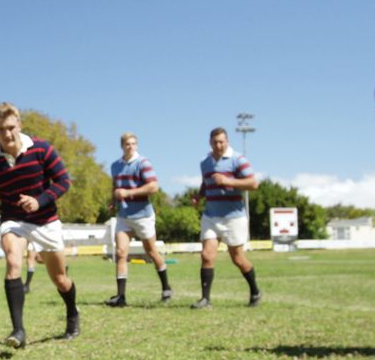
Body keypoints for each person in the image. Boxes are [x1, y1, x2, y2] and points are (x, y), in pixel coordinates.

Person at [0, 102, 79, 348]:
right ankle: (18, 331)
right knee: (13, 262)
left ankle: (72, 312)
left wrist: (40, 200)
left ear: (19, 125)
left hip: (46, 221)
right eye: (1, 129)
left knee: (60, 279)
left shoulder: (42, 149)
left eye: (11, 127)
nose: (7, 134)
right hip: (14, 220)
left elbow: (64, 181)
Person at [190, 127, 262, 309]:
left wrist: (228, 181)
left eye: (222, 141)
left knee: (238, 259)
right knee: (206, 255)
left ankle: (255, 291)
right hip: (211, 215)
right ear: (210, 143)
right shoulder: (205, 162)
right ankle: (205, 300)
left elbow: (253, 183)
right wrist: (199, 196)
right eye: (215, 142)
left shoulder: (238, 160)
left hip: (233, 217)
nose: (219, 145)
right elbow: (206, 182)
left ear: (227, 141)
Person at [104, 132, 173, 307]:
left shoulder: (143, 163)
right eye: (127, 144)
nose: (131, 146)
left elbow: (153, 186)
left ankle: (166, 287)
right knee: (120, 253)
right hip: (124, 216)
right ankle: (121, 297)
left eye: (134, 144)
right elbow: (115, 187)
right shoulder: (115, 166)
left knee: (151, 252)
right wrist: (113, 202)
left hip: (143, 215)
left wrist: (128, 193)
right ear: (122, 146)